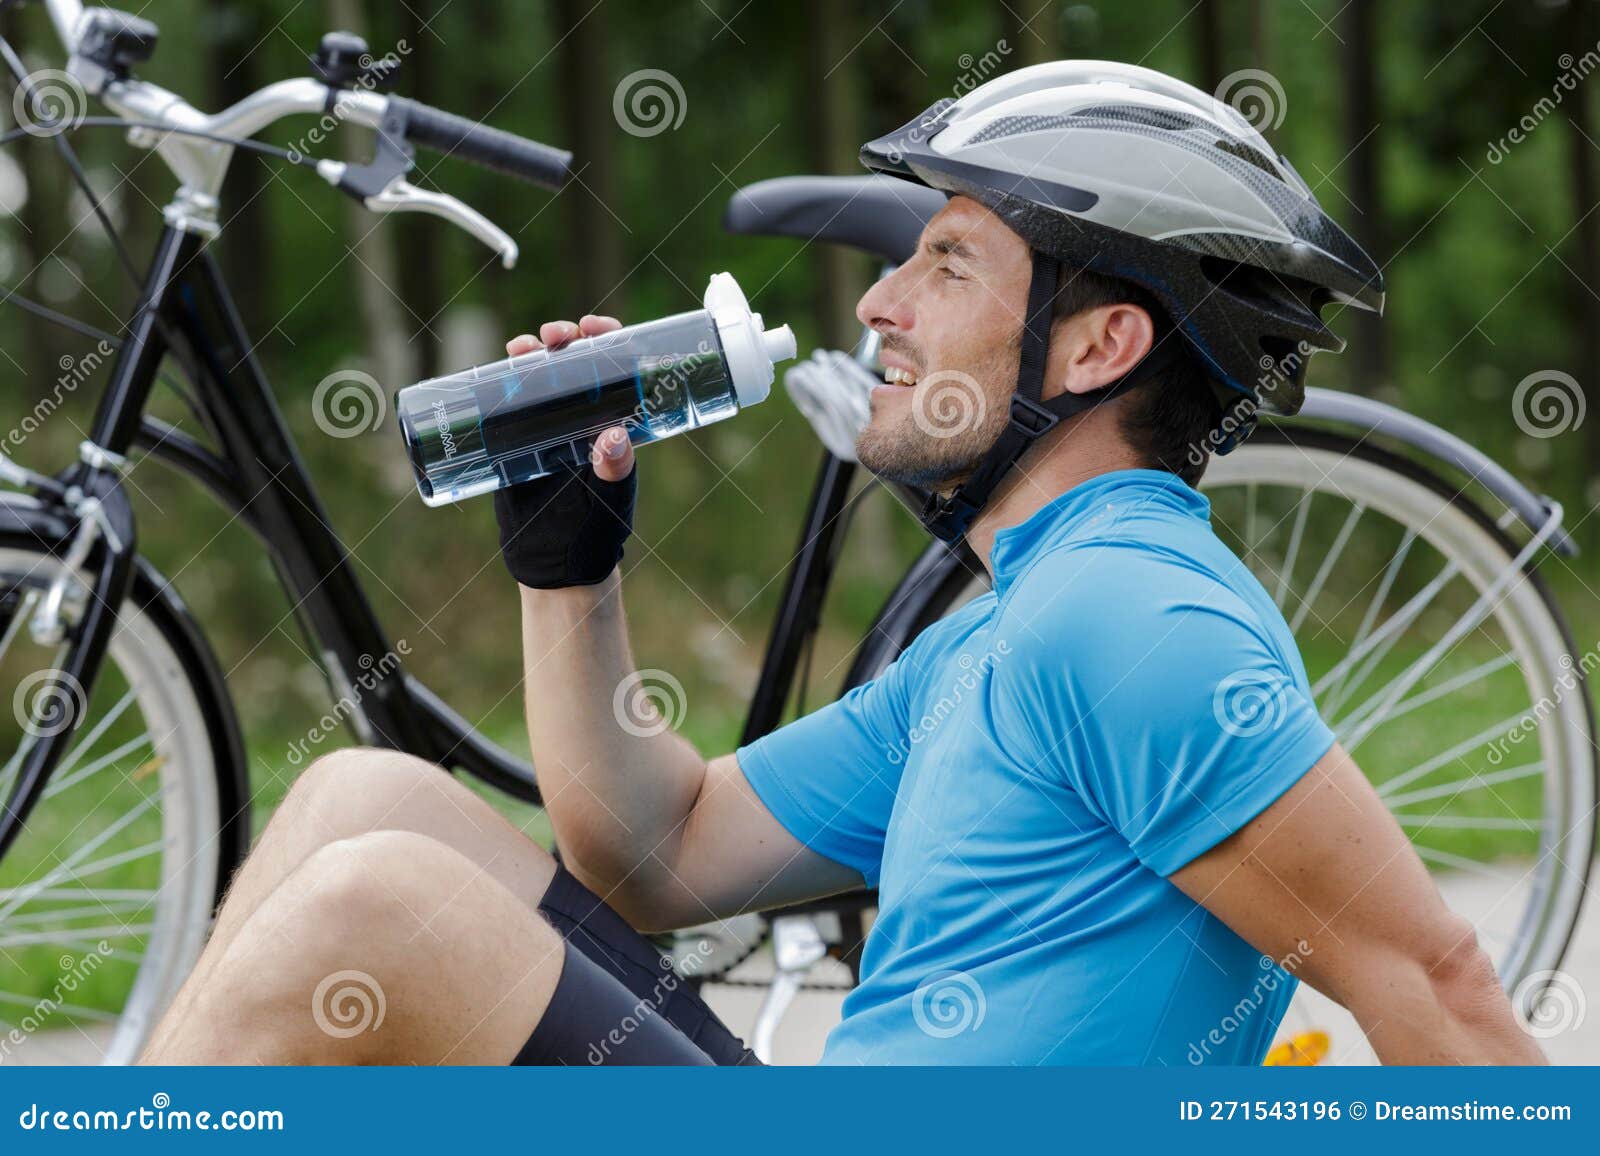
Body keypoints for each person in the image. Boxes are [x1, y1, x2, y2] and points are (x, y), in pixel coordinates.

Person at [141, 61, 1543, 1066]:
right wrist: (568, 570)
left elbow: (1439, 985)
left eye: (946, 263)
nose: (876, 303)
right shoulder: (1006, 628)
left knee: (379, 913)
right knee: (361, 798)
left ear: (1098, 343)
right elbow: (655, 854)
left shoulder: (1133, 614)